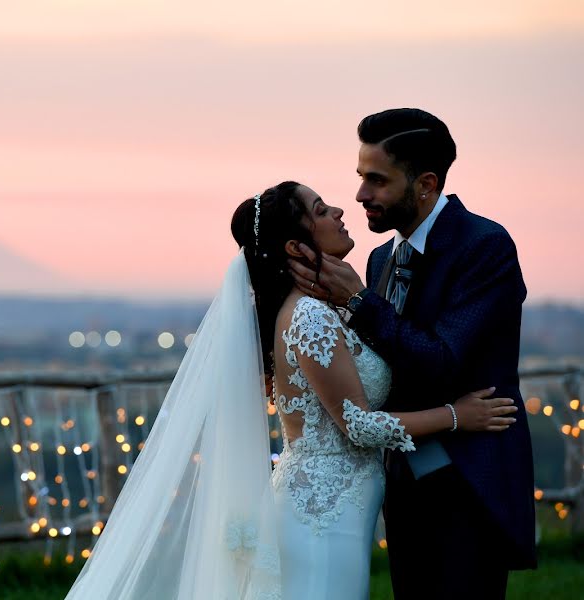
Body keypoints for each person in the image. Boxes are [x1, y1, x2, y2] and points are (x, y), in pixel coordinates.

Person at [64, 175, 516, 599]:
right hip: (323, 512)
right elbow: (357, 424)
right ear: (297, 246)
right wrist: (457, 416)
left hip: (340, 505)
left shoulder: (327, 309)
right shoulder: (310, 316)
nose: (341, 209)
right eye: (321, 210)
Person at [288, 108, 536, 599]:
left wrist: (359, 302)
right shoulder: (382, 256)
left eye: (377, 181)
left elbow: (444, 360)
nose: (360, 195)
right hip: (403, 484)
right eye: (361, 177)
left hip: (469, 484)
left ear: (425, 184)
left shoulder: (484, 247)